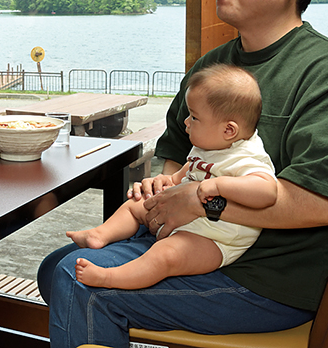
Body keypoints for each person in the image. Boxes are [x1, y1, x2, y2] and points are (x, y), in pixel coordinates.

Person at [38, 0, 328, 348]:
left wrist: (202, 204)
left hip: (265, 279)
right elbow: (173, 157)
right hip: (184, 240)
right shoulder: (212, 66)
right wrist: (160, 186)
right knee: (56, 266)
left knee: (80, 284)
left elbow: (326, 205)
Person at [71, 63, 276, 290]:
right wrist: (169, 181)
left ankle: (109, 278)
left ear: (229, 130)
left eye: (195, 118)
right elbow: (187, 171)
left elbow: (267, 191)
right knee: (137, 204)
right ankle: (99, 235)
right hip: (188, 220)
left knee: (165, 255)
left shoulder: (246, 157)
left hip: (216, 239)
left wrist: (219, 185)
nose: (186, 122)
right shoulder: (210, 143)